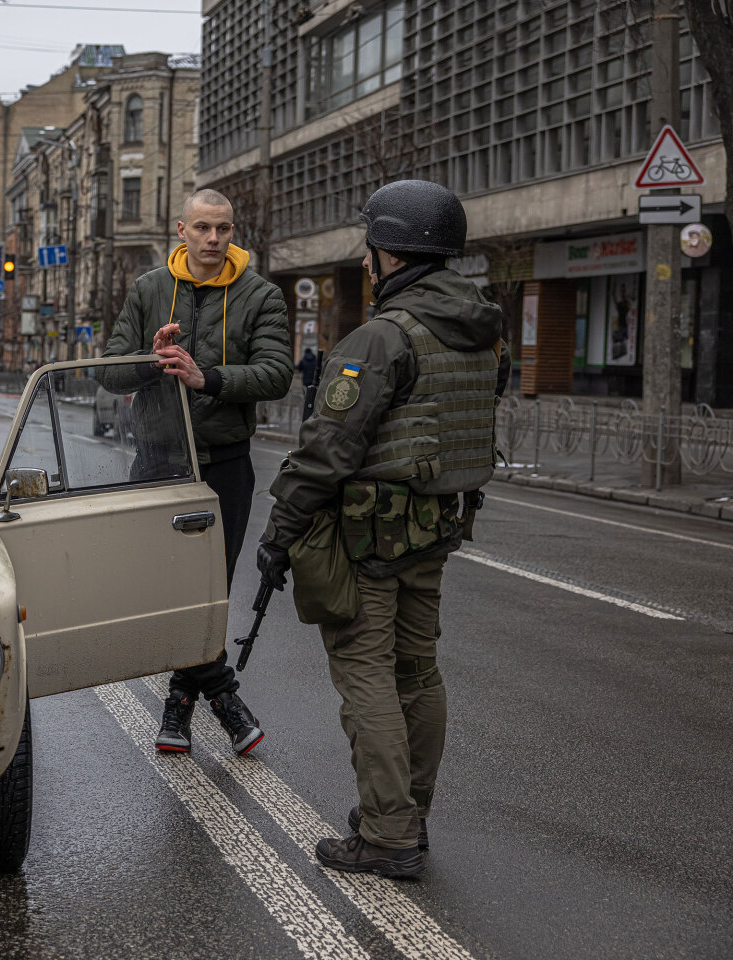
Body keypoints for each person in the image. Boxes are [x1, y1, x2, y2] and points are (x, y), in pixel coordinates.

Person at [256, 179, 509, 878]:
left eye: (371, 246)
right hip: (435, 530)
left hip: (369, 538)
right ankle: (407, 812)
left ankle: (388, 833)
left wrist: (279, 532)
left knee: (366, 672)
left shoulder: (384, 336)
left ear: (389, 253)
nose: (366, 260)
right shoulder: (481, 332)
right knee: (418, 671)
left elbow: (326, 449)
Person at [104, 188, 293, 756]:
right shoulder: (148, 290)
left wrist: (206, 377)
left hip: (224, 465)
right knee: (162, 591)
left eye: (225, 229)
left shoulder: (261, 295)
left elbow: (277, 373)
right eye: (204, 228)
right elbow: (111, 373)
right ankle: (222, 695)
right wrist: (151, 357)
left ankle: (179, 705)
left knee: (210, 591)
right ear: (181, 230)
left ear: (234, 233)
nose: (215, 239)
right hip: (158, 464)